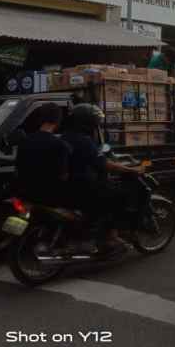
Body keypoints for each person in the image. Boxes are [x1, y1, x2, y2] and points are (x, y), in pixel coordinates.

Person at [61, 103, 129, 253]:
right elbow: (102, 164)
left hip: (67, 185)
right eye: (95, 122)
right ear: (87, 123)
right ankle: (111, 237)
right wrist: (129, 169)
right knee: (119, 197)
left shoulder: (65, 136)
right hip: (83, 186)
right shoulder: (84, 141)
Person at [15, 103, 71, 207]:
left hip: (27, 197)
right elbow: (63, 176)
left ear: (40, 119)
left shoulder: (25, 141)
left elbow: (18, 169)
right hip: (49, 200)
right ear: (58, 121)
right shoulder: (60, 145)